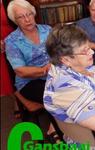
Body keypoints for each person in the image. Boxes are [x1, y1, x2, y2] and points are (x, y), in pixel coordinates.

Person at [4, 0, 57, 142]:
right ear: (15, 20)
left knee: (75, 88)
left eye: (29, 14)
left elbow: (59, 51)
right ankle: (54, 131)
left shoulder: (47, 30)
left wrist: (53, 64)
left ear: (34, 14)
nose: (27, 19)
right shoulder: (12, 41)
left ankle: (55, 126)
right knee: (59, 96)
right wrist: (44, 70)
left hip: (54, 74)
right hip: (29, 83)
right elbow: (20, 71)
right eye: (21, 17)